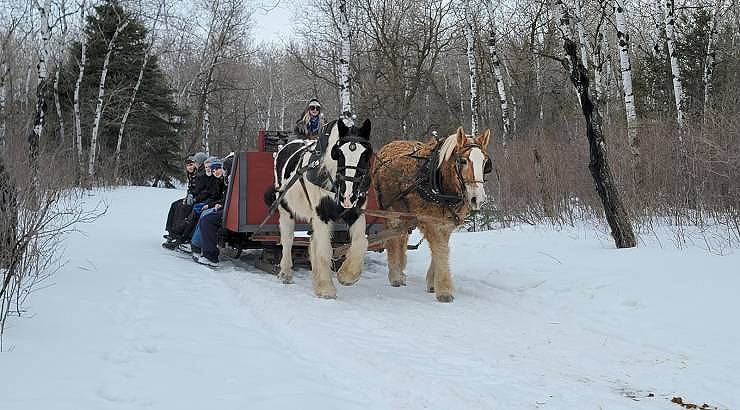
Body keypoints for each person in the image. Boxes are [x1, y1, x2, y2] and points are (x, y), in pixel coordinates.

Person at [180, 158, 228, 255]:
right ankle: (186, 237)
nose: (215, 172)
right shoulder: (218, 180)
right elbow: (211, 194)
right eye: (213, 170)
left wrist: (209, 204)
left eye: (217, 169)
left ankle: (195, 244)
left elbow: (219, 197)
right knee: (196, 209)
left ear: (223, 169)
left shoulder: (224, 181)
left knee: (203, 214)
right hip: (214, 203)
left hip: (219, 206)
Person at [163, 156, 198, 239]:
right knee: (174, 204)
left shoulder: (198, 175)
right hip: (190, 197)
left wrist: (191, 198)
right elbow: (190, 189)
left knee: (182, 208)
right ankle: (170, 231)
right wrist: (187, 197)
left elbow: (198, 190)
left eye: (191, 164)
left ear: (195, 165)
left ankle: (178, 233)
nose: (189, 167)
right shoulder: (190, 175)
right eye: (187, 165)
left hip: (196, 199)